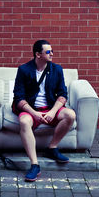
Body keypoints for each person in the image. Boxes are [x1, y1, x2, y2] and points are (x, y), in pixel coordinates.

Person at [12, 40, 76, 182]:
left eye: (52, 51)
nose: (52, 53)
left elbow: (62, 94)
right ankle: (35, 165)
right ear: (38, 54)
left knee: (70, 115)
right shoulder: (24, 70)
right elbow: (18, 97)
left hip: (50, 108)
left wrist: (52, 112)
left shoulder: (57, 69)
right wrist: (35, 114)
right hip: (31, 108)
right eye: (48, 52)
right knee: (23, 121)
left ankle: (52, 148)